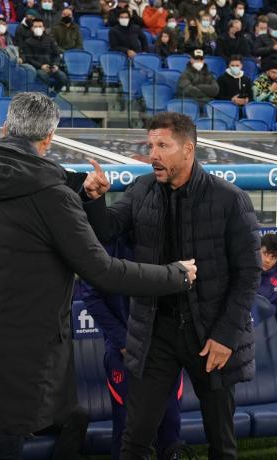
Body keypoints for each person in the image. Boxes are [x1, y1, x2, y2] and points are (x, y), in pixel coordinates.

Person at [0, 93, 197, 458]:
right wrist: (175, 275)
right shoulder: (52, 196)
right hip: (9, 368)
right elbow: (103, 270)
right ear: (48, 140)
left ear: (5, 128)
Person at [82, 112, 260, 460]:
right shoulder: (142, 189)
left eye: (163, 145)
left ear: (188, 150)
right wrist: (95, 199)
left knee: (222, 443)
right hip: (155, 333)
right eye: (150, 145)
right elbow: (106, 230)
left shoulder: (229, 199)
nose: (154, 155)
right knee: (135, 440)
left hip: (210, 336)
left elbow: (248, 274)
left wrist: (225, 336)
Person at [80, 238, 183, 460]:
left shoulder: (168, 234)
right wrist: (124, 341)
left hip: (165, 351)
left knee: (170, 424)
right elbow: (90, 295)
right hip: (123, 353)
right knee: (128, 428)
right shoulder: (106, 240)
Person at [21, 18, 69, 92]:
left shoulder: (50, 40)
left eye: (40, 26)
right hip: (37, 68)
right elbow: (29, 58)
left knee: (63, 77)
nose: (38, 28)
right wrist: (41, 66)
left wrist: (56, 65)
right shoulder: (27, 42)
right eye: (35, 27)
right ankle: (47, 93)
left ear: (43, 28)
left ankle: (53, 93)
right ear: (32, 28)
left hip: (51, 66)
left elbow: (57, 54)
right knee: (44, 76)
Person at [258, 233, 277, 309]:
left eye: (273, 257)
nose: (268, 260)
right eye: (265, 253)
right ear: (258, 250)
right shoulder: (244, 274)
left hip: (270, 319)